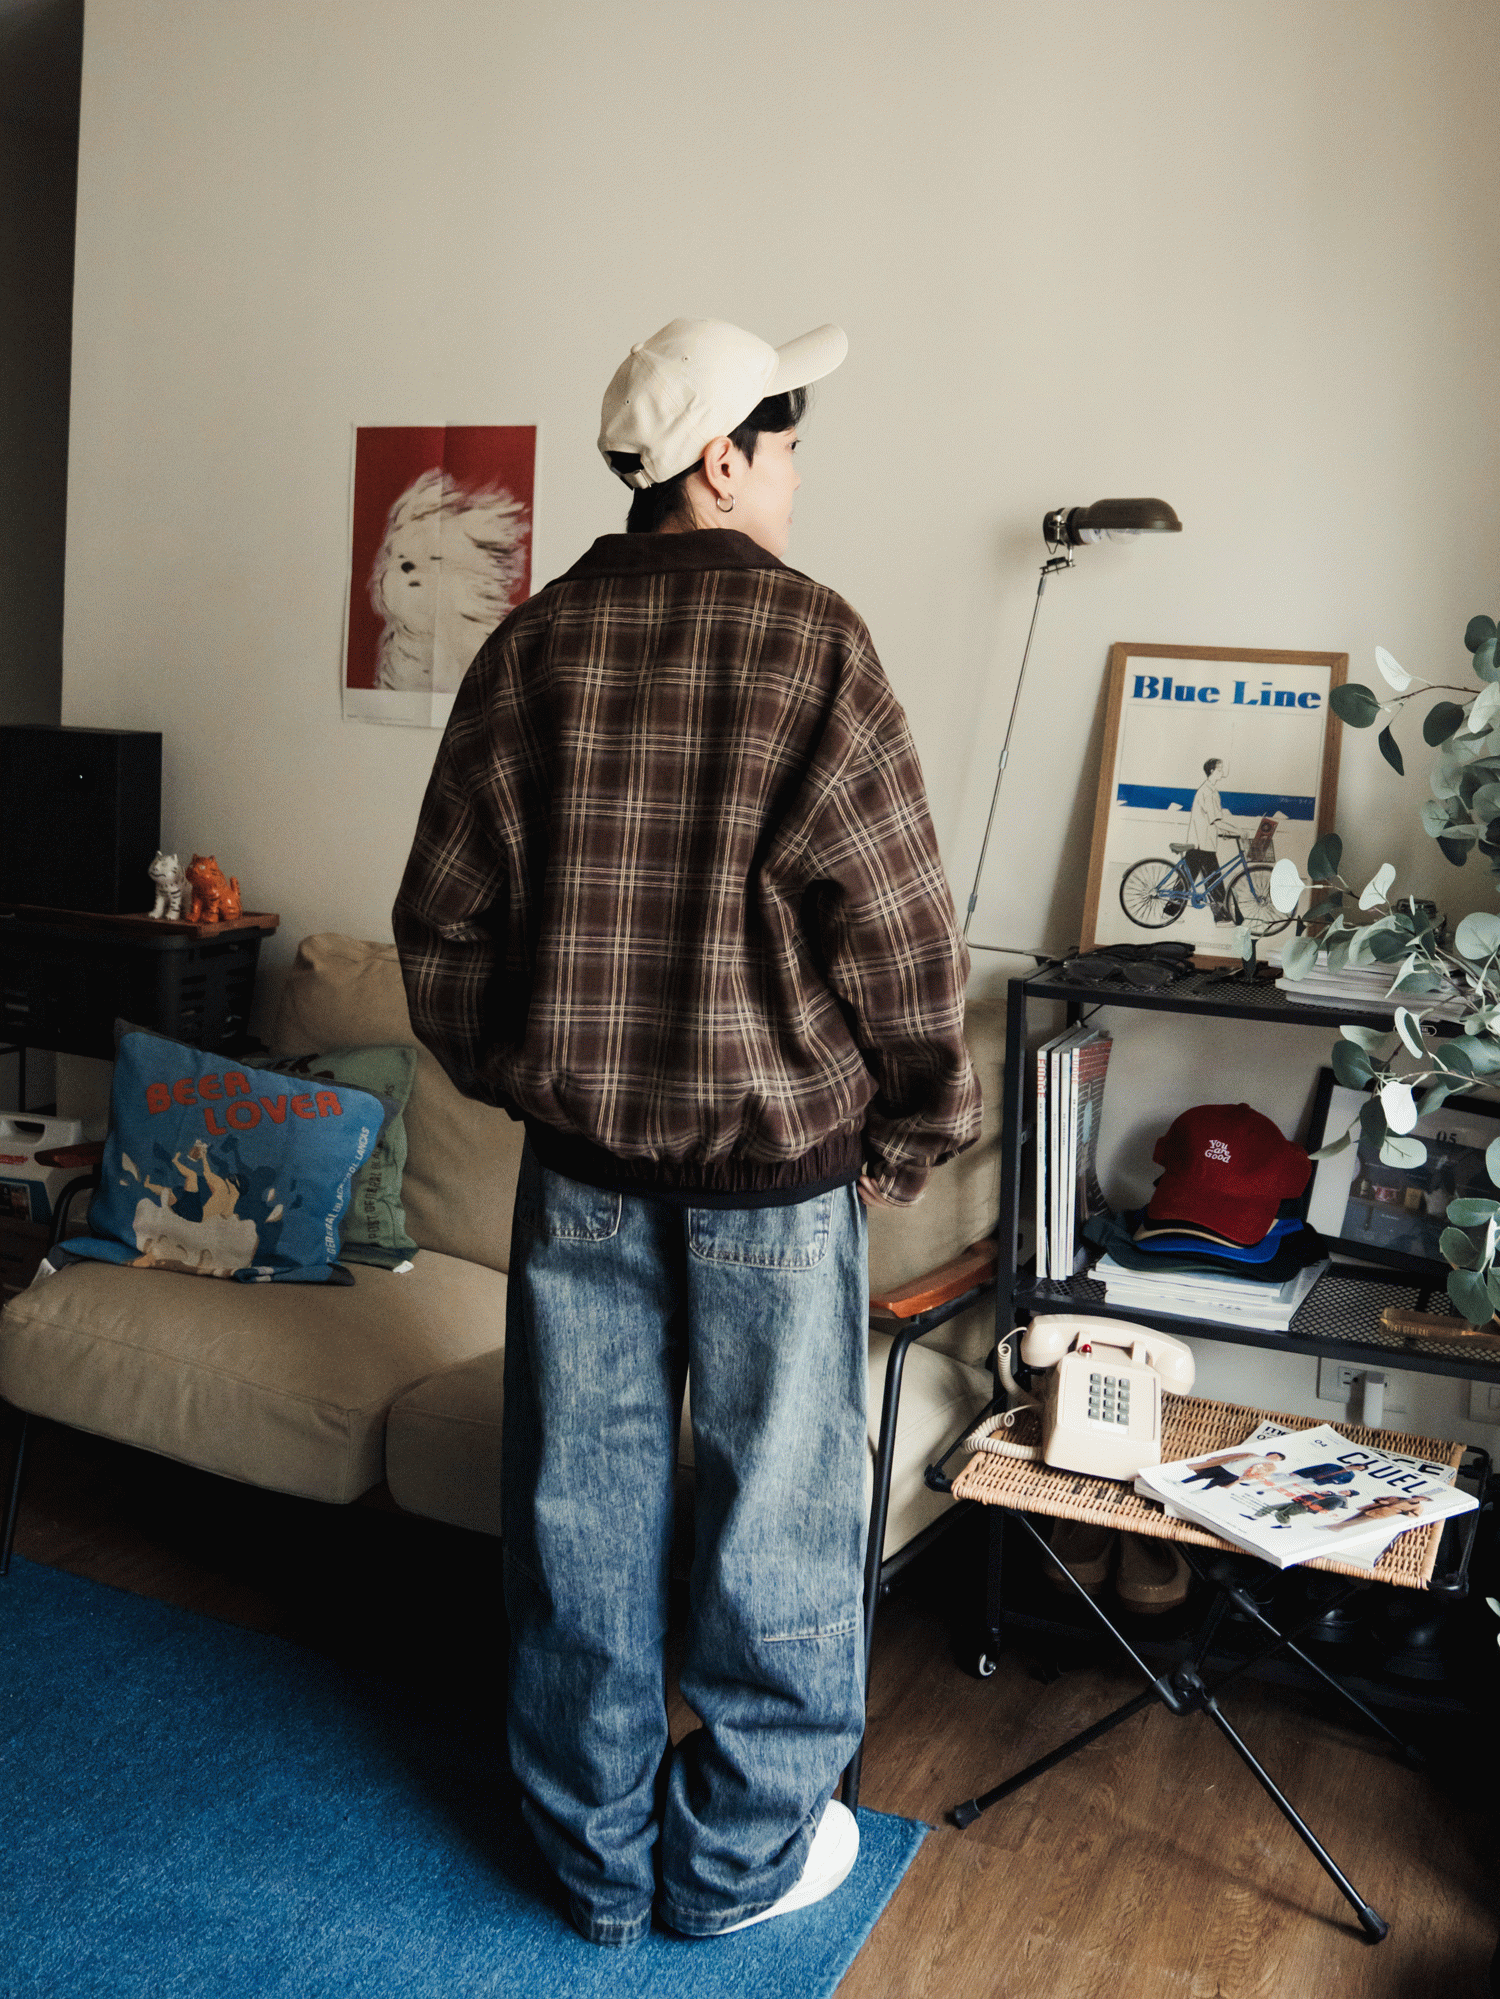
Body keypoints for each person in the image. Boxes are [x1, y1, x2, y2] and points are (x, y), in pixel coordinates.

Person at [392, 317, 981, 1948]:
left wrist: (528, 1073)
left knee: (575, 1520)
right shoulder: (814, 643)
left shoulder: (532, 647)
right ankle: (730, 1867)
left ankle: (590, 1861)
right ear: (720, 460)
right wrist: (915, 1125)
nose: (794, 476)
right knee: (775, 1522)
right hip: (775, 1188)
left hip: (580, 1178)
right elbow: (903, 938)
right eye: (786, 446)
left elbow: (440, 923)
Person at [1184, 757, 1239, 922]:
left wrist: (1223, 832)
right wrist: (1239, 831)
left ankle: (1169, 912)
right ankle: (1221, 918)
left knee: (1185, 881)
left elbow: (1209, 821)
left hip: (1197, 842)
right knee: (1214, 882)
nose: (1223, 772)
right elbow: (1216, 821)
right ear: (1212, 771)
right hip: (1204, 845)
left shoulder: (1207, 790)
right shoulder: (1209, 792)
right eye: (1220, 769)